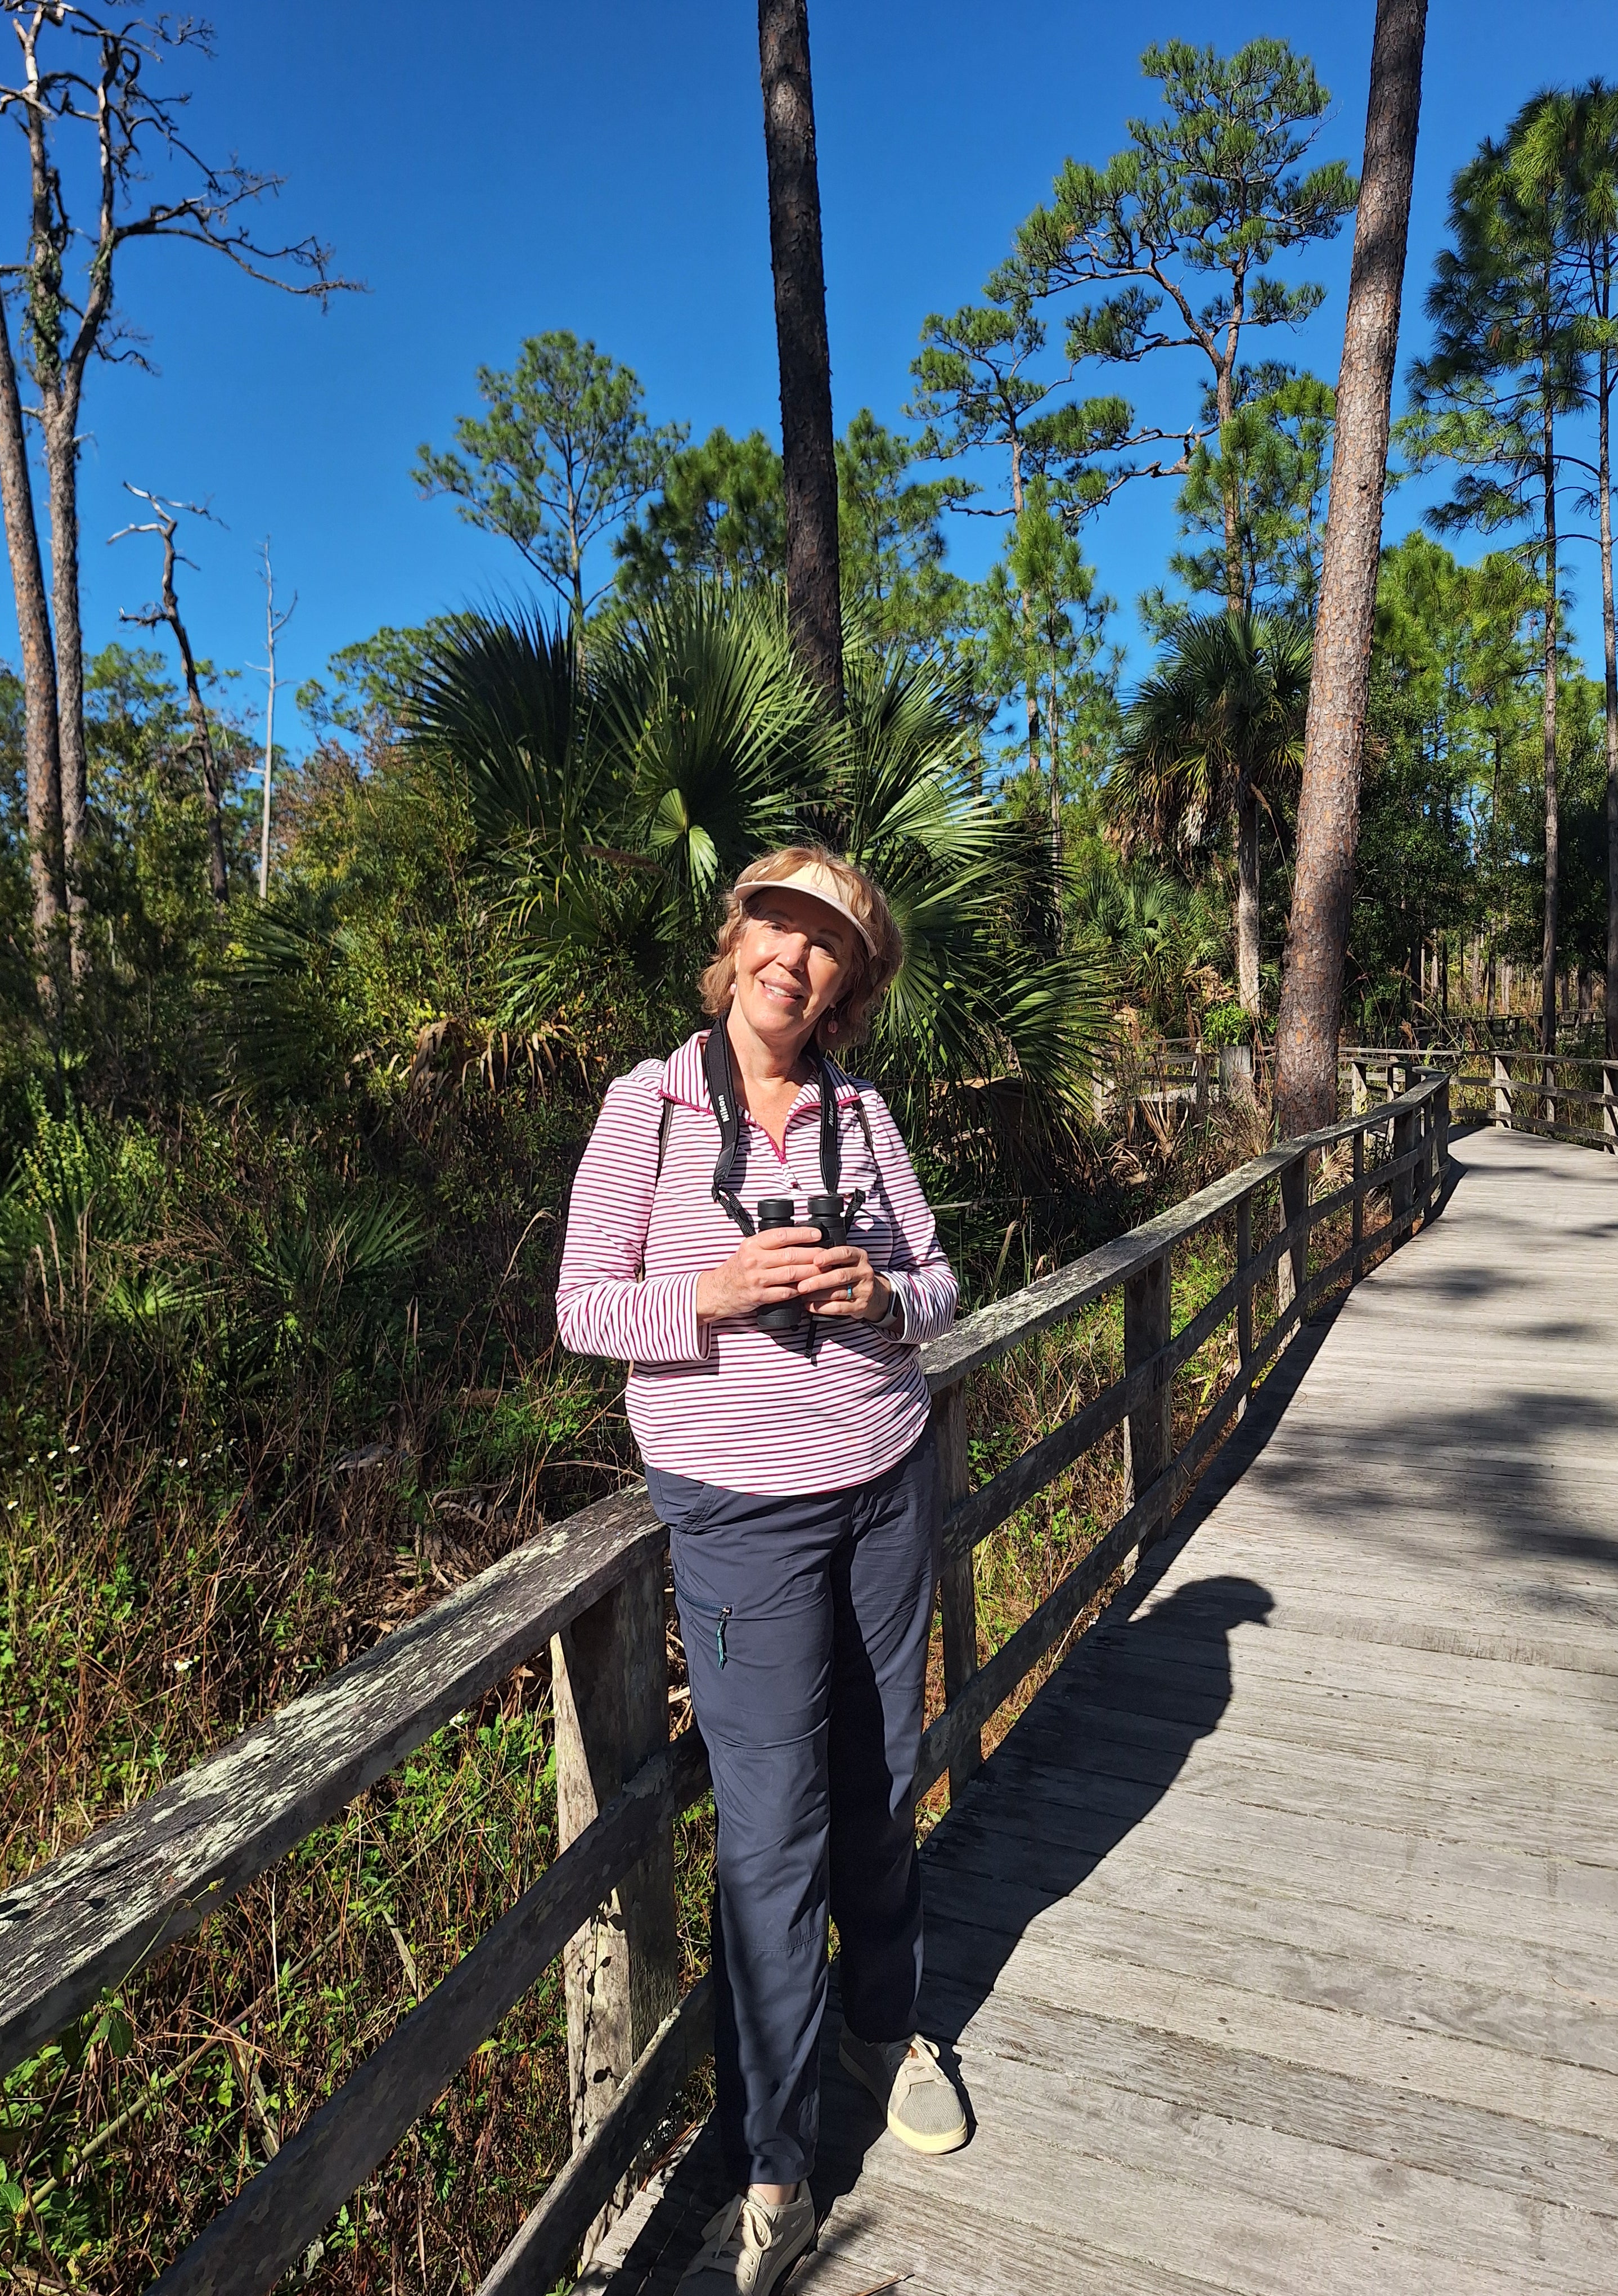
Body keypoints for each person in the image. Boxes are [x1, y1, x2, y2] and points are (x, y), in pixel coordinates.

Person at [556, 846, 969, 2293]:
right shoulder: (648, 1107)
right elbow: (581, 1304)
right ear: (733, 947)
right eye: (777, 929)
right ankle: (776, 2157)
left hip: (885, 1486)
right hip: (742, 1518)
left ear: (851, 982)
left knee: (882, 1775)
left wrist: (885, 1295)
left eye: (828, 944)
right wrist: (717, 1292)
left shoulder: (865, 1115)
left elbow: (941, 1286)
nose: (796, 958)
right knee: (772, 1832)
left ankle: (883, 2022)